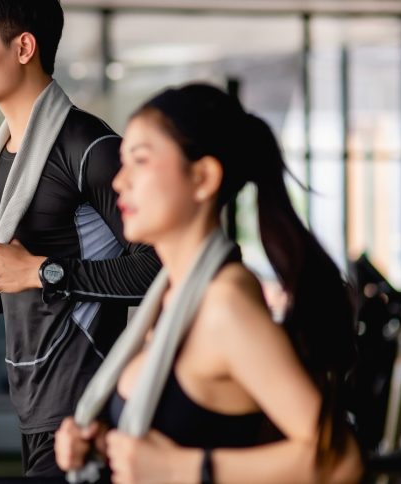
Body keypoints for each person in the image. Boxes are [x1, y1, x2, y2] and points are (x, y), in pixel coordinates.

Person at [55, 84, 363, 483]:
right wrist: (104, 445)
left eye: (140, 161)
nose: (119, 182)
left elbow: (342, 461)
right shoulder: (171, 294)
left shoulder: (223, 304)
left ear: (202, 178)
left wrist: (180, 469)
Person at [0, 0, 161, 477]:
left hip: (87, 405)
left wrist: (41, 269)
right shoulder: (7, 158)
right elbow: (8, 294)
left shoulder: (88, 146)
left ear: (24, 46)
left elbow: (160, 269)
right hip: (34, 408)